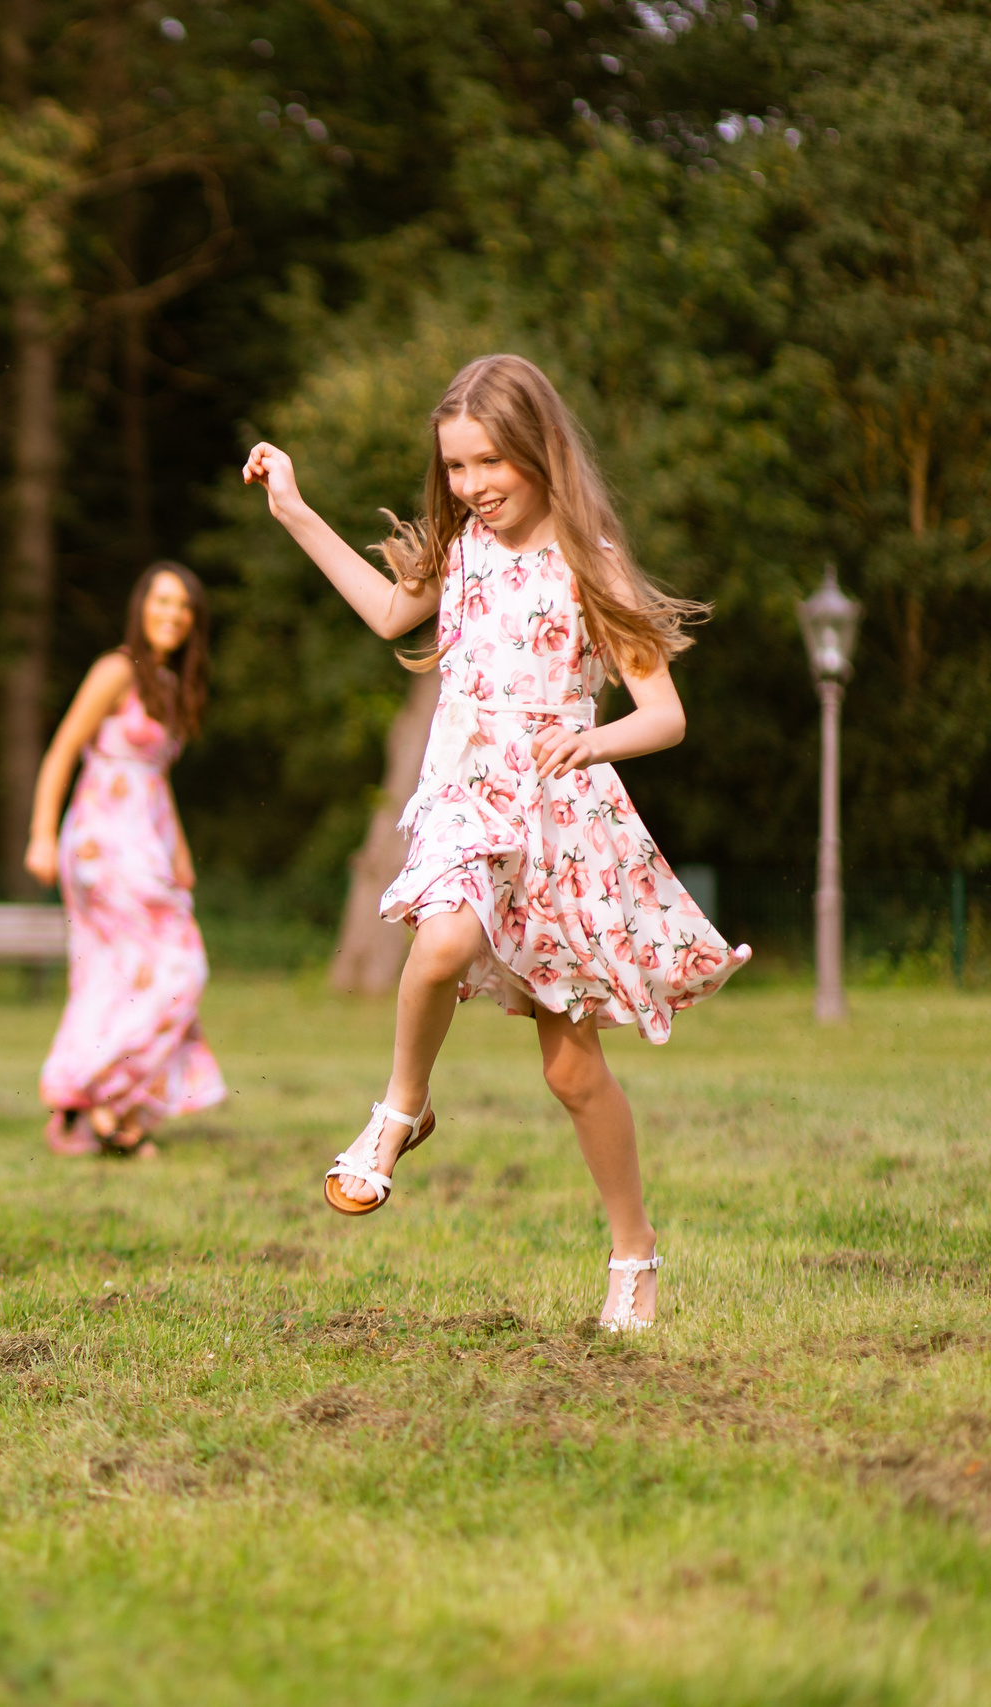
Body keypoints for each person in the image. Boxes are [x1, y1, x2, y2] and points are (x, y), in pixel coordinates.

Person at [242, 352, 749, 1331]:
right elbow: (388, 611)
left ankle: (633, 1253)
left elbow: (665, 716)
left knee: (571, 1072)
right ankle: (400, 1111)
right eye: (456, 466)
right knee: (440, 944)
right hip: (467, 795)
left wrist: (590, 739)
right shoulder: (462, 546)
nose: (472, 484)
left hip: (555, 822)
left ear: (538, 449)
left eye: (489, 462)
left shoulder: (590, 559)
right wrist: (295, 511)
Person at [24, 563, 229, 1158]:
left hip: (148, 841)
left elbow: (155, 777)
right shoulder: (116, 670)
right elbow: (63, 751)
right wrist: (41, 834)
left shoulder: (169, 683)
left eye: (184, 606)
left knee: (121, 973)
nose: (173, 614)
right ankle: (90, 1092)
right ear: (141, 607)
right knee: (179, 966)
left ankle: (104, 1110)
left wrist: (180, 853)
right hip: (103, 840)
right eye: (162, 601)